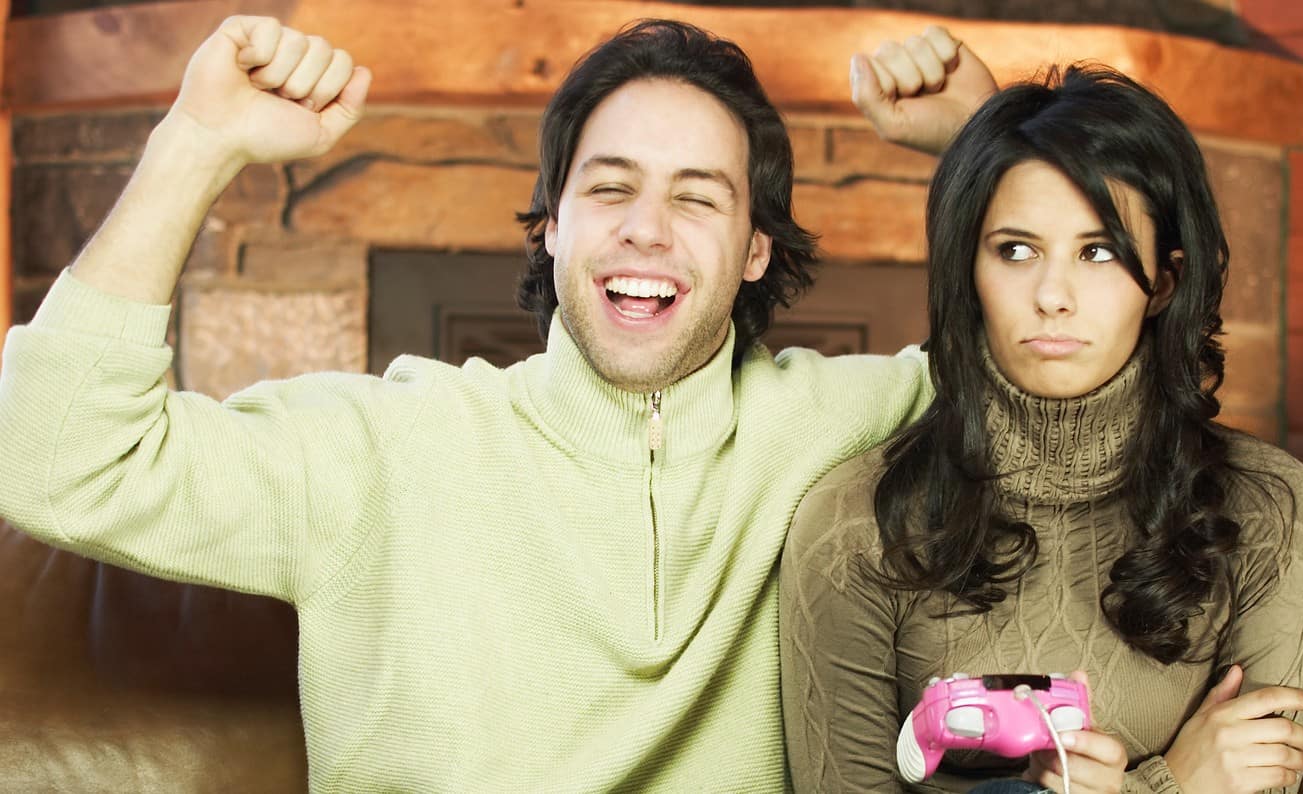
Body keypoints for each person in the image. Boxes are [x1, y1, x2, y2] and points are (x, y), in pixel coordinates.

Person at [0, 15, 996, 793]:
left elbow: (1071, 390)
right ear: (551, 228)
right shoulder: (384, 445)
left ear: (752, 250)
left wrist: (981, 148)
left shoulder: (839, 422)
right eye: (609, 189)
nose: (646, 227)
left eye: (696, 197)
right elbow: (55, 460)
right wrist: (197, 144)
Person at [780, 65, 1303, 794]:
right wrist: (1168, 786)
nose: (1052, 296)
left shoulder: (1273, 511)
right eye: (1015, 251)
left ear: (1162, 281)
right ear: (967, 270)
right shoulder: (854, 524)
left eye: (1099, 251)